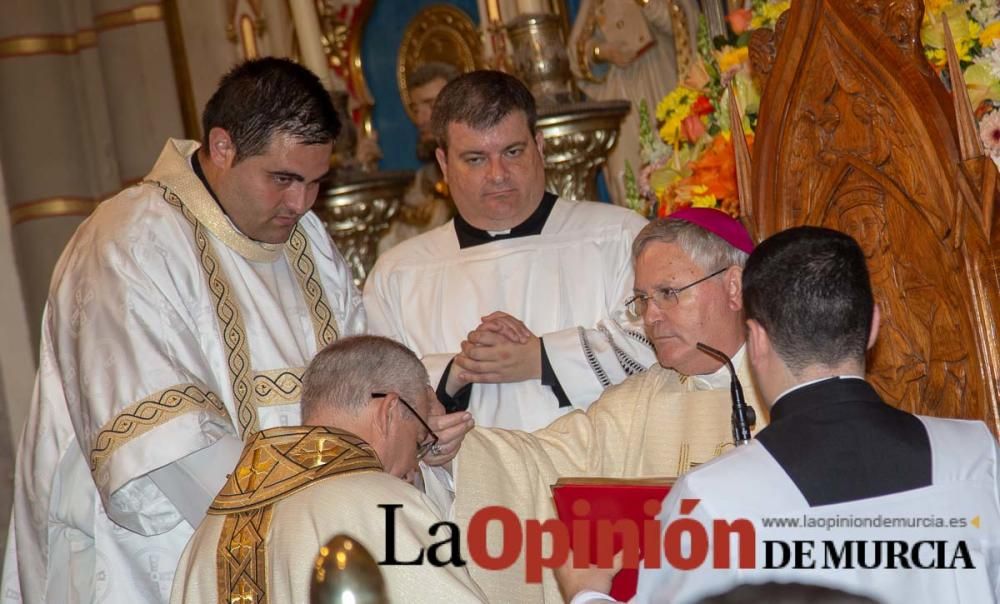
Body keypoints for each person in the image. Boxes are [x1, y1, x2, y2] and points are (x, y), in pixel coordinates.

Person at [2, 57, 366, 604]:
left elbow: (364, 382)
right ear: (222, 147)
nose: (301, 203)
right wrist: (306, 543)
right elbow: (171, 449)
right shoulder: (128, 242)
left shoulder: (309, 244)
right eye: (283, 179)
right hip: (165, 565)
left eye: (315, 183)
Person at [560, 226, 1000, 603]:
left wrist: (586, 594)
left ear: (756, 340)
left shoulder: (712, 500)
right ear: (872, 326)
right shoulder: (978, 454)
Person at [439, 208, 767, 603]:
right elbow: (538, 463)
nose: (651, 317)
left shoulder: (786, 397)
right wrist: (455, 448)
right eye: (643, 300)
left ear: (733, 287)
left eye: (668, 293)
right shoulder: (637, 403)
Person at [364, 70, 654, 432]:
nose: (498, 174)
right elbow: (374, 395)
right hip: (464, 471)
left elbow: (657, 347)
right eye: (475, 159)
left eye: (512, 152)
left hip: (602, 463)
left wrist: (542, 358)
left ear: (540, 147)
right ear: (443, 164)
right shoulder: (398, 274)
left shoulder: (620, 236)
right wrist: (456, 371)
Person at [170, 335, 486, 603]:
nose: (413, 469)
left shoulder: (210, 532)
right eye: (418, 440)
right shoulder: (382, 504)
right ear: (389, 411)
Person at [569, 0, 699, 206]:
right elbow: (575, 55)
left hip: (662, 80)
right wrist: (602, 52)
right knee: (625, 173)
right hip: (621, 93)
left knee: (675, 164)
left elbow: (685, 23)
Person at [379, 61, 461, 254]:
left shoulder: (482, 169)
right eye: (416, 110)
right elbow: (394, 244)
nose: (421, 119)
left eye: (431, 105)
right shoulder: (423, 182)